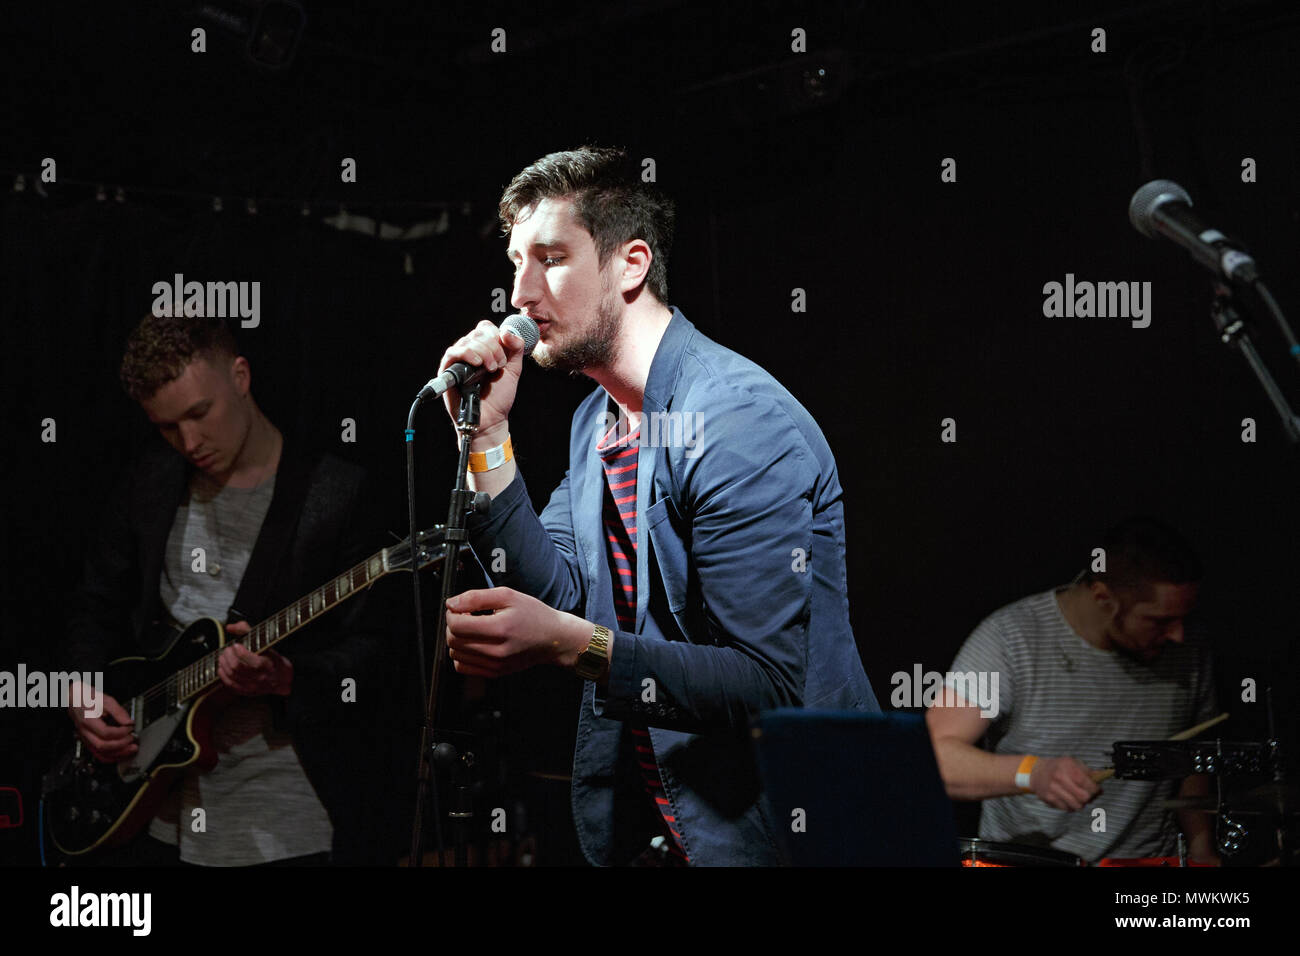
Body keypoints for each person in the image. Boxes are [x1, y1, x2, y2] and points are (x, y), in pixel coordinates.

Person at [436, 146, 879, 866]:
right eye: (516, 261)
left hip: (793, 832)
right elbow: (555, 590)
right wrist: (487, 437)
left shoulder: (736, 421)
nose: (520, 292)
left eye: (550, 258)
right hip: (676, 828)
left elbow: (767, 682)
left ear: (631, 264)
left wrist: (569, 644)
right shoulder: (598, 421)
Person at [60, 311, 403, 866]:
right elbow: (94, 603)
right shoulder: (150, 482)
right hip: (150, 808)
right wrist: (81, 689)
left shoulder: (335, 496)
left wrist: (290, 677)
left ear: (240, 377)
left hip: (284, 813)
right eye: (168, 426)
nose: (189, 441)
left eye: (200, 413)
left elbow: (383, 653)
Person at [925, 516, 1218, 863]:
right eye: (1159, 621)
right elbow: (934, 758)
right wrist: (1032, 773)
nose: (1177, 635)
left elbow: (1192, 759)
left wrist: (1201, 846)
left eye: (1182, 618)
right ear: (1102, 596)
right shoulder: (1011, 639)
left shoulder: (1188, 650)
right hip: (1032, 862)